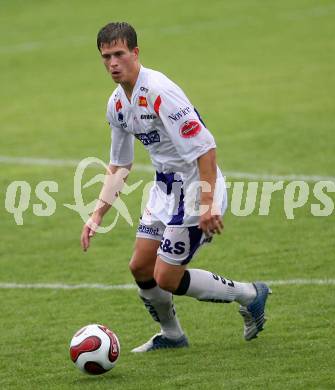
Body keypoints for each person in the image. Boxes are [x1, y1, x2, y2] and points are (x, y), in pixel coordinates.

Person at [81, 22, 271, 352]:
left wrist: (208, 203)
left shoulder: (159, 92)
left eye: (119, 54)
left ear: (135, 53)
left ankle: (251, 295)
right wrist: (97, 214)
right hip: (164, 191)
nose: (112, 63)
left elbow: (205, 147)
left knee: (167, 276)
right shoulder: (117, 104)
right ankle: (172, 335)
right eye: (106, 56)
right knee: (140, 266)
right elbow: (120, 165)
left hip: (197, 187)